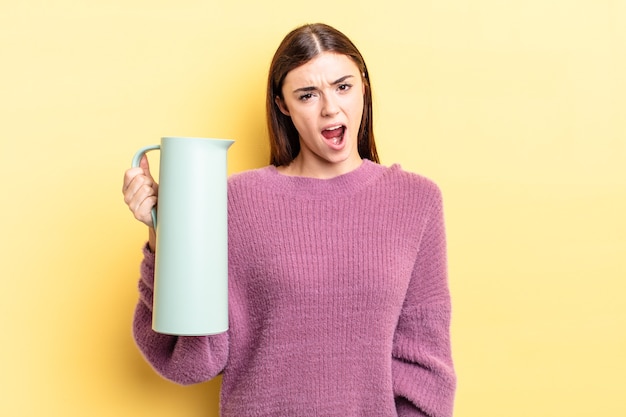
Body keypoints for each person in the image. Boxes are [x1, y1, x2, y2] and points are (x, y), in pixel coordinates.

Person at [122, 23, 456, 417]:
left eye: (343, 86)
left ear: (364, 86)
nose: (330, 108)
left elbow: (425, 368)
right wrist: (163, 232)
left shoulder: (416, 201)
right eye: (308, 95)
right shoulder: (234, 201)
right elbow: (191, 360)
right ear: (283, 105)